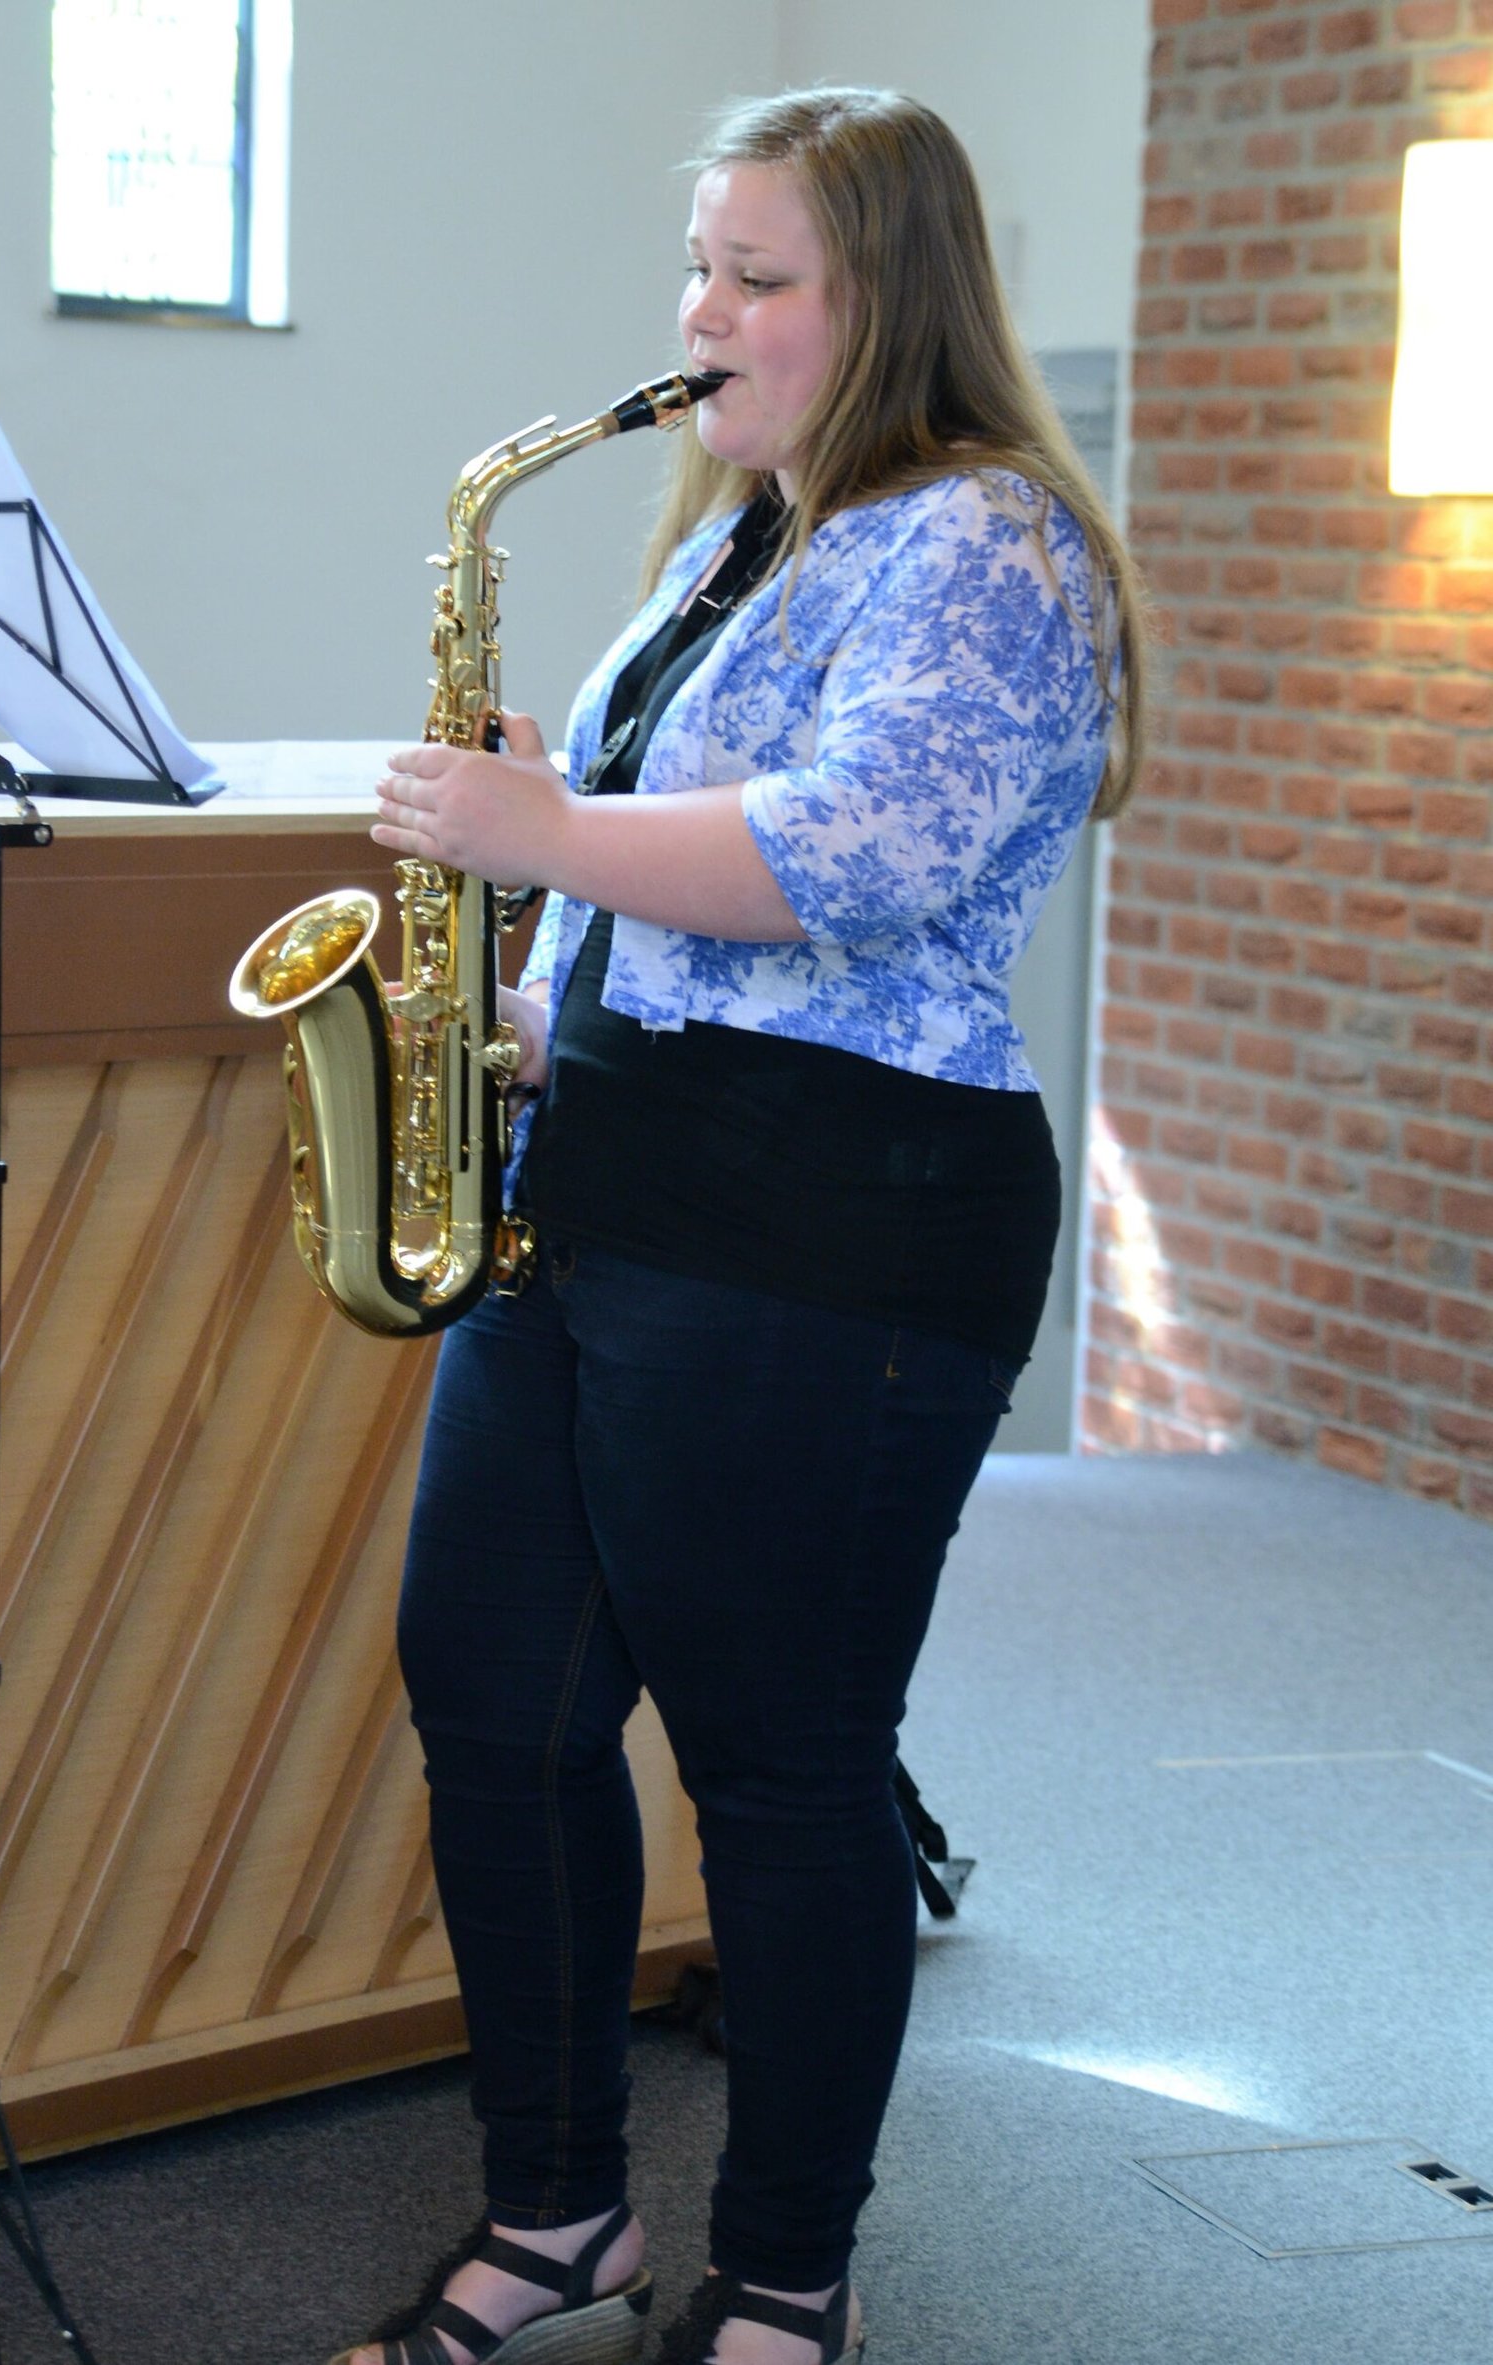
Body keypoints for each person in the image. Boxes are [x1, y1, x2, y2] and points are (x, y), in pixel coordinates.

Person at [342, 84, 1144, 2365]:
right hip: (612, 1186)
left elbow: (855, 856)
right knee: (493, 1701)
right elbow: (682, 884)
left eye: (755, 276)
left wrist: (541, 830)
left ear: (888, 299)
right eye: (698, 265)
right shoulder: (747, 541)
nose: (699, 314)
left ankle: (788, 2278)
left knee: (781, 1769)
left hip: (832, 1221)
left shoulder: (986, 539)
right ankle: (557, 2218)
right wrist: (542, 997)